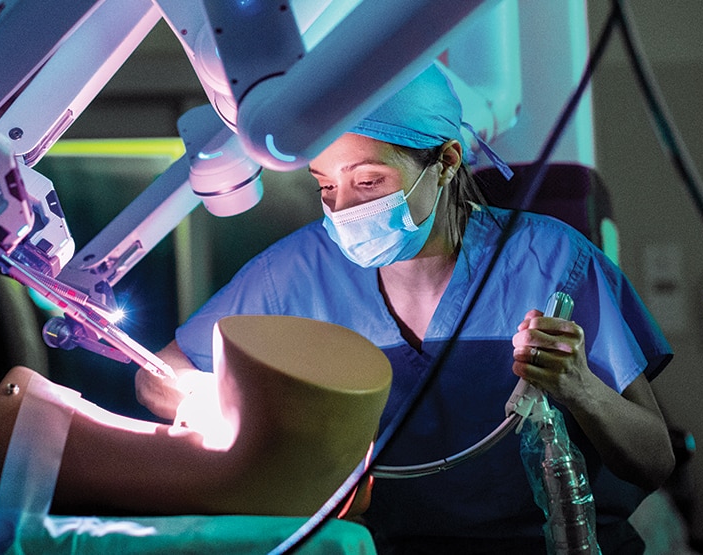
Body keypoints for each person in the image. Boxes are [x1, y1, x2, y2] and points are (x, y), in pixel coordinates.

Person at [135, 63, 675, 554]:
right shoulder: (296, 273)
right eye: (326, 186)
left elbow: (654, 461)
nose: (344, 210)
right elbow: (159, 375)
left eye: (369, 181)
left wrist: (579, 386)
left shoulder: (553, 260)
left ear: (446, 162)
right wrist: (219, 401)